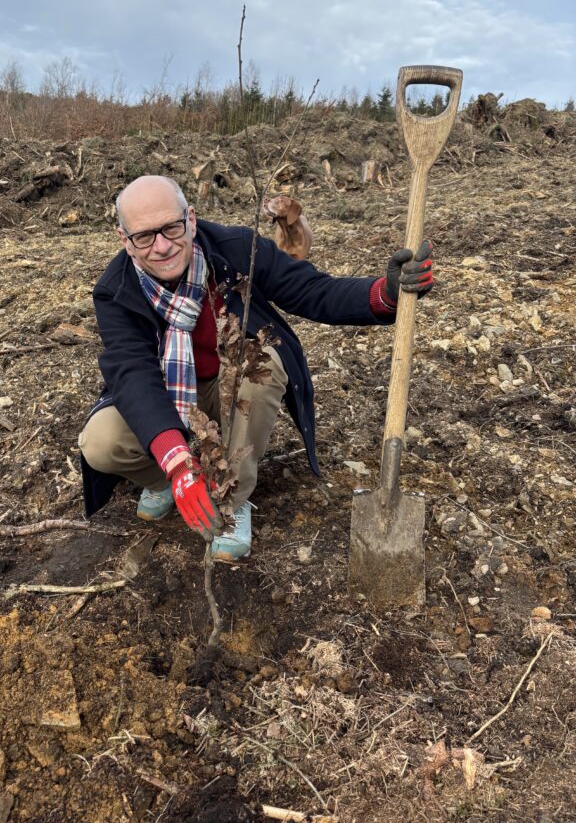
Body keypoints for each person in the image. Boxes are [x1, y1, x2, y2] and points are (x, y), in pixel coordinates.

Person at [79, 174, 433, 562]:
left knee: (262, 363)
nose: (162, 246)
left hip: (231, 390)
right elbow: (132, 373)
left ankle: (233, 499)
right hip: (165, 396)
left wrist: (383, 293)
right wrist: (178, 464)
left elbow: (311, 291)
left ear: (191, 219)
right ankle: (167, 479)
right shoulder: (115, 290)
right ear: (123, 239)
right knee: (100, 442)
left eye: (171, 228)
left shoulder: (235, 251)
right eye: (144, 236)